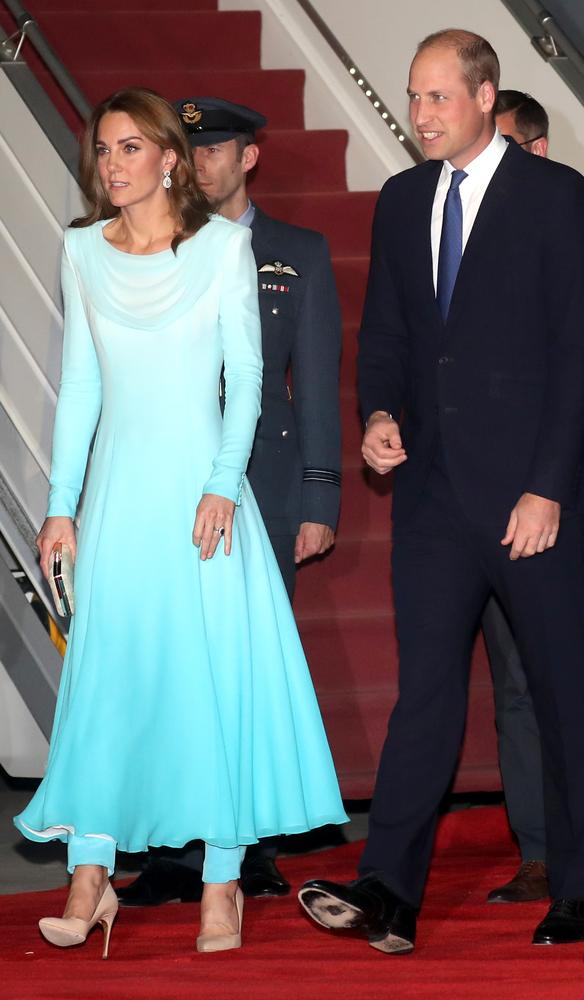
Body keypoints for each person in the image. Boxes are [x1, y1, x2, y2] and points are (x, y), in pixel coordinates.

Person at [14, 86, 347, 956]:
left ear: (169, 159)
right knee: (109, 682)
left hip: (205, 498)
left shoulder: (224, 251)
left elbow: (246, 377)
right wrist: (60, 508)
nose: (111, 165)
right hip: (118, 501)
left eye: (129, 149)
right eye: (103, 151)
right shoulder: (81, 250)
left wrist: (221, 484)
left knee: (214, 686)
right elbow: (81, 386)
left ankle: (223, 883)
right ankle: (91, 875)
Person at [298, 28, 584, 955]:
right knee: (426, 694)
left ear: (485, 95)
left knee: (561, 693)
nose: (420, 113)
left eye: (438, 97)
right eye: (414, 96)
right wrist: (379, 415)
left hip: (530, 503)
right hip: (433, 500)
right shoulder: (401, 201)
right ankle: (388, 890)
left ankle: (582, 888)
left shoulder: (557, 197)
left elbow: (577, 354)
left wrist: (550, 487)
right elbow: (389, 332)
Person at [115, 97, 342, 907]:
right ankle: (174, 848)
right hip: (163, 483)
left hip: (264, 482)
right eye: (191, 149)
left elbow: (312, 381)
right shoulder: (149, 245)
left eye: (214, 149)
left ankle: (247, 845)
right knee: (172, 663)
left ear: (248, 157)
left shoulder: (293, 252)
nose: (199, 163)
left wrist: (321, 494)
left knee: (245, 670)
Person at [481, 90, 584, 905]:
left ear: (535, 154)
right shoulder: (461, 247)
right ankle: (540, 850)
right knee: (519, 682)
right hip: (516, 507)